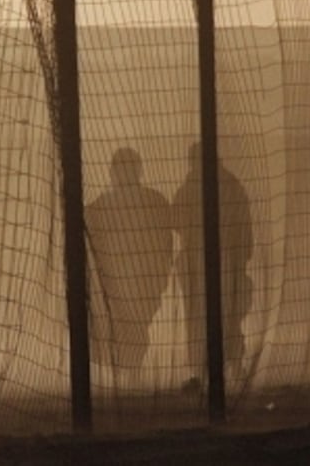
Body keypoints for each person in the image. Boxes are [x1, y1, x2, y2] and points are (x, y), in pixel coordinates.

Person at [85, 147, 175, 386]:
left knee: (126, 325)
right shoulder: (155, 201)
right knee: (135, 325)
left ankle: (126, 372)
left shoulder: (100, 207)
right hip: (142, 280)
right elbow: (166, 242)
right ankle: (130, 371)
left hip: (122, 280)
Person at [171, 142, 254, 390]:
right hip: (220, 259)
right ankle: (230, 364)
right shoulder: (231, 186)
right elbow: (245, 228)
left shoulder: (190, 188)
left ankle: (205, 368)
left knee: (202, 316)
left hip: (204, 260)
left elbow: (176, 222)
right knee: (227, 314)